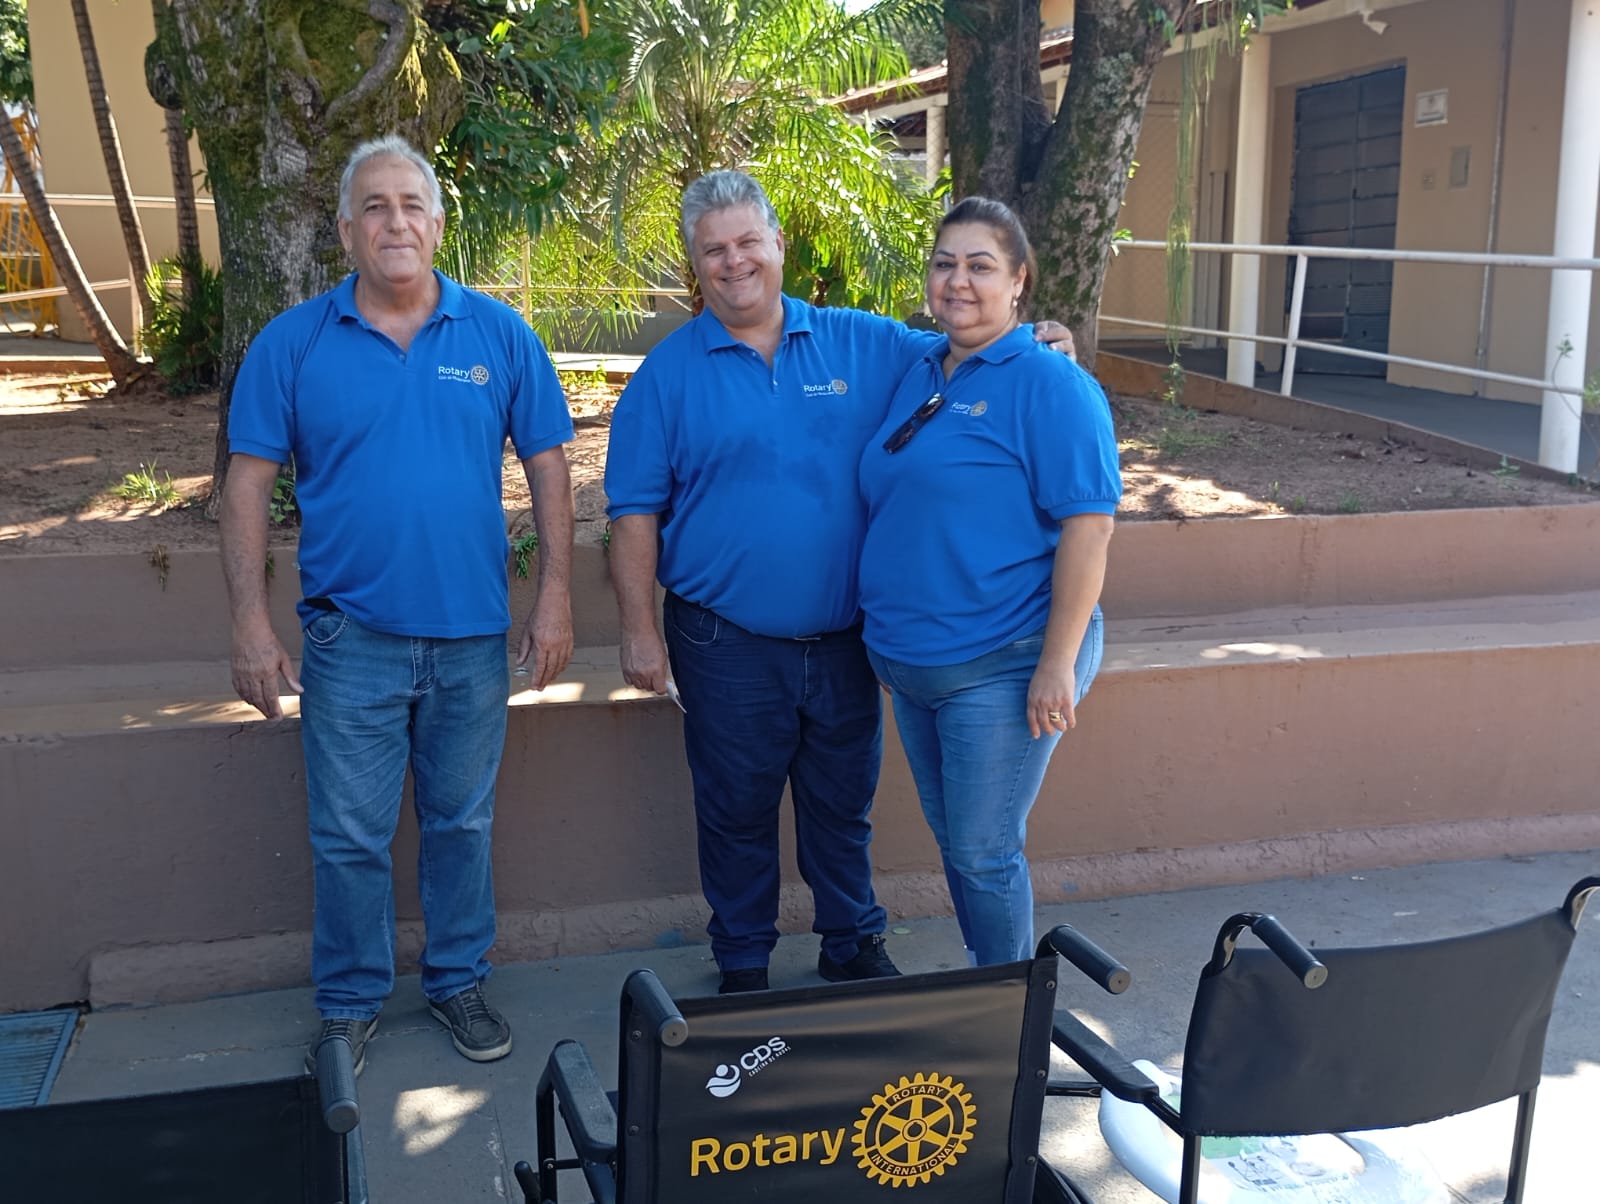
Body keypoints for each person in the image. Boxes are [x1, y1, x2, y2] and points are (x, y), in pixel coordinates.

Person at [605, 171, 1074, 993]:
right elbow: (634, 512)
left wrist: (1042, 343)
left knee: (841, 806)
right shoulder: (666, 376)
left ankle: (850, 941)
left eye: (749, 241)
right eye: (714, 250)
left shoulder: (867, 343)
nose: (735, 261)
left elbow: (968, 350)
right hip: (724, 638)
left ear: (779, 245)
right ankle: (743, 956)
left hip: (851, 638)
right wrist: (640, 631)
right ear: (696, 266)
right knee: (735, 806)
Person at [220, 135, 575, 1073]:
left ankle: (458, 981)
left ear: (439, 222)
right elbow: (247, 484)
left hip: (471, 638)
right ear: (345, 229)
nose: (395, 221)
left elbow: (549, 468)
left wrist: (554, 603)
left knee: (462, 823)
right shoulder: (291, 342)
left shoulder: (501, 335)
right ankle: (348, 1002)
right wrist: (251, 624)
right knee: (347, 836)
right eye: (373, 206)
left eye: (411, 204)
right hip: (350, 638)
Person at [857, 197, 1121, 967]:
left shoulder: (1051, 383)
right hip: (915, 667)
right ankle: (992, 990)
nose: (959, 282)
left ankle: (1009, 1018)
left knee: (982, 850)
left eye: (980, 266)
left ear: (1019, 283)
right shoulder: (917, 366)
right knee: (962, 846)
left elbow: (1089, 527)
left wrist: (1057, 665)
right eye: (945, 264)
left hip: (1006, 660)